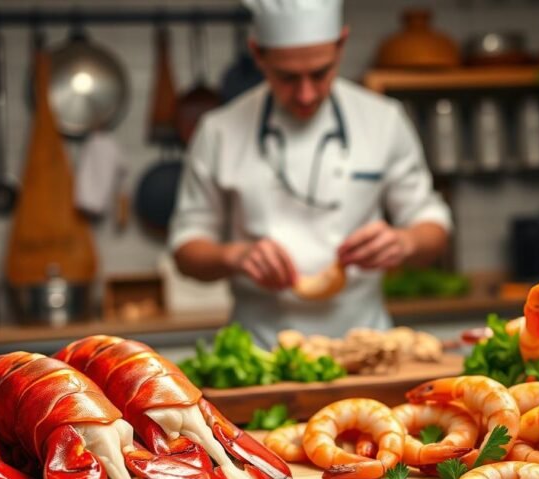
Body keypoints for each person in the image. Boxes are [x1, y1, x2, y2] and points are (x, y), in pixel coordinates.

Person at [168, 0, 451, 348]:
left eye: (320, 73)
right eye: (287, 77)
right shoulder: (218, 132)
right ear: (258, 54)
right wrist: (236, 256)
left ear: (341, 44)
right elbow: (185, 249)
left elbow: (432, 224)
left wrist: (404, 242)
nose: (305, 94)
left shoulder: (383, 120)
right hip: (261, 353)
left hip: (366, 348)